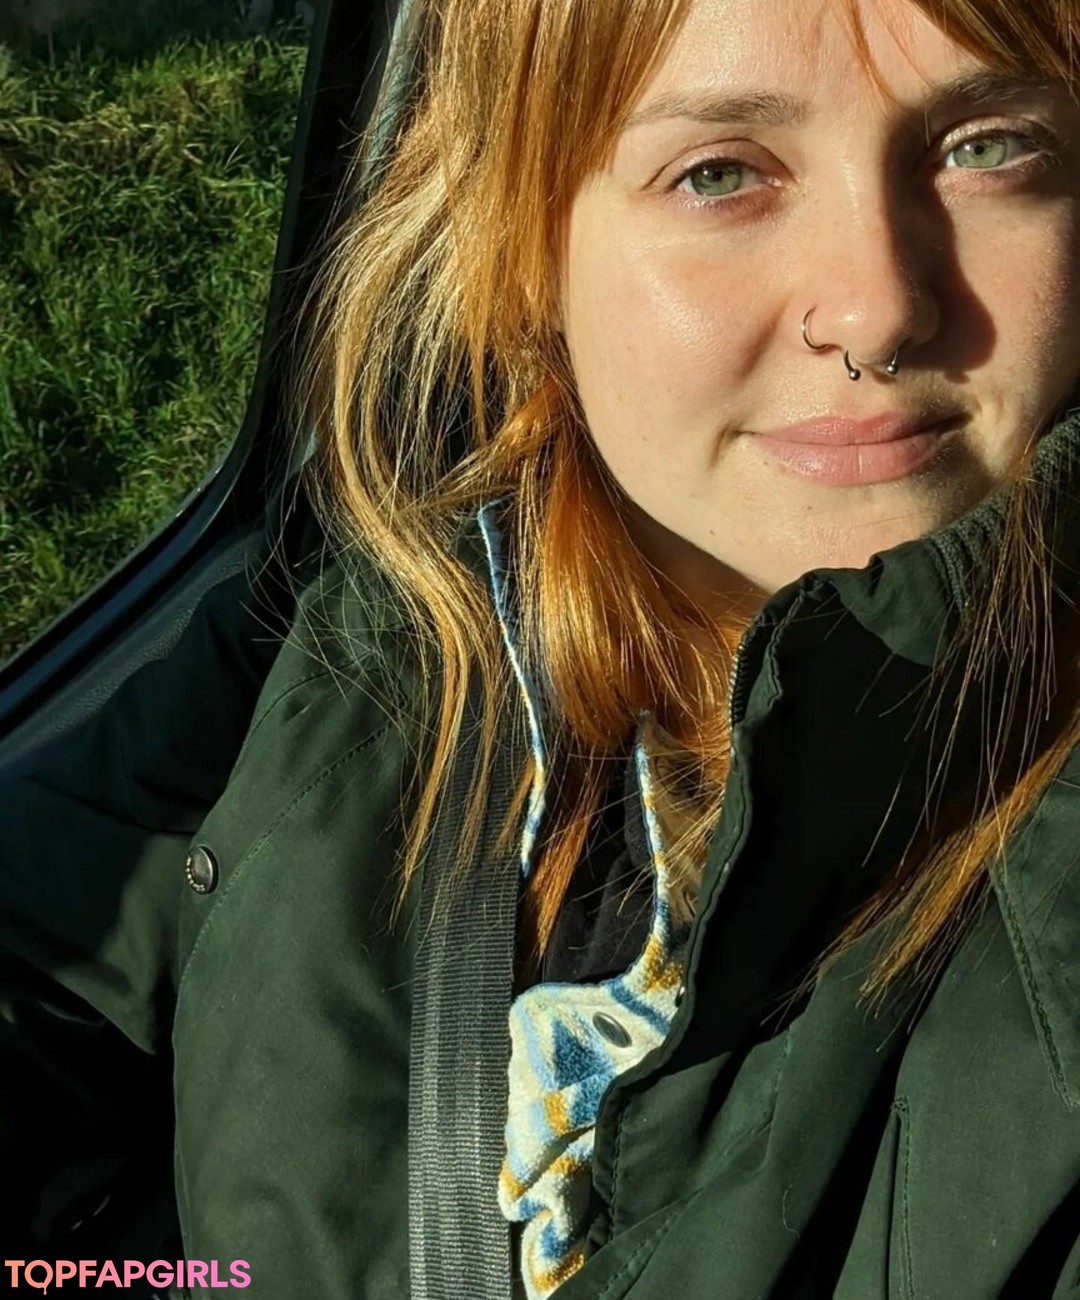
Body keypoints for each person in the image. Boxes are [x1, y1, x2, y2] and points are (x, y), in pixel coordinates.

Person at [4, 0, 1080, 1295]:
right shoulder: (372, 630)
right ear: (528, 250)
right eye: (719, 173)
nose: (878, 309)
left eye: (986, 146)